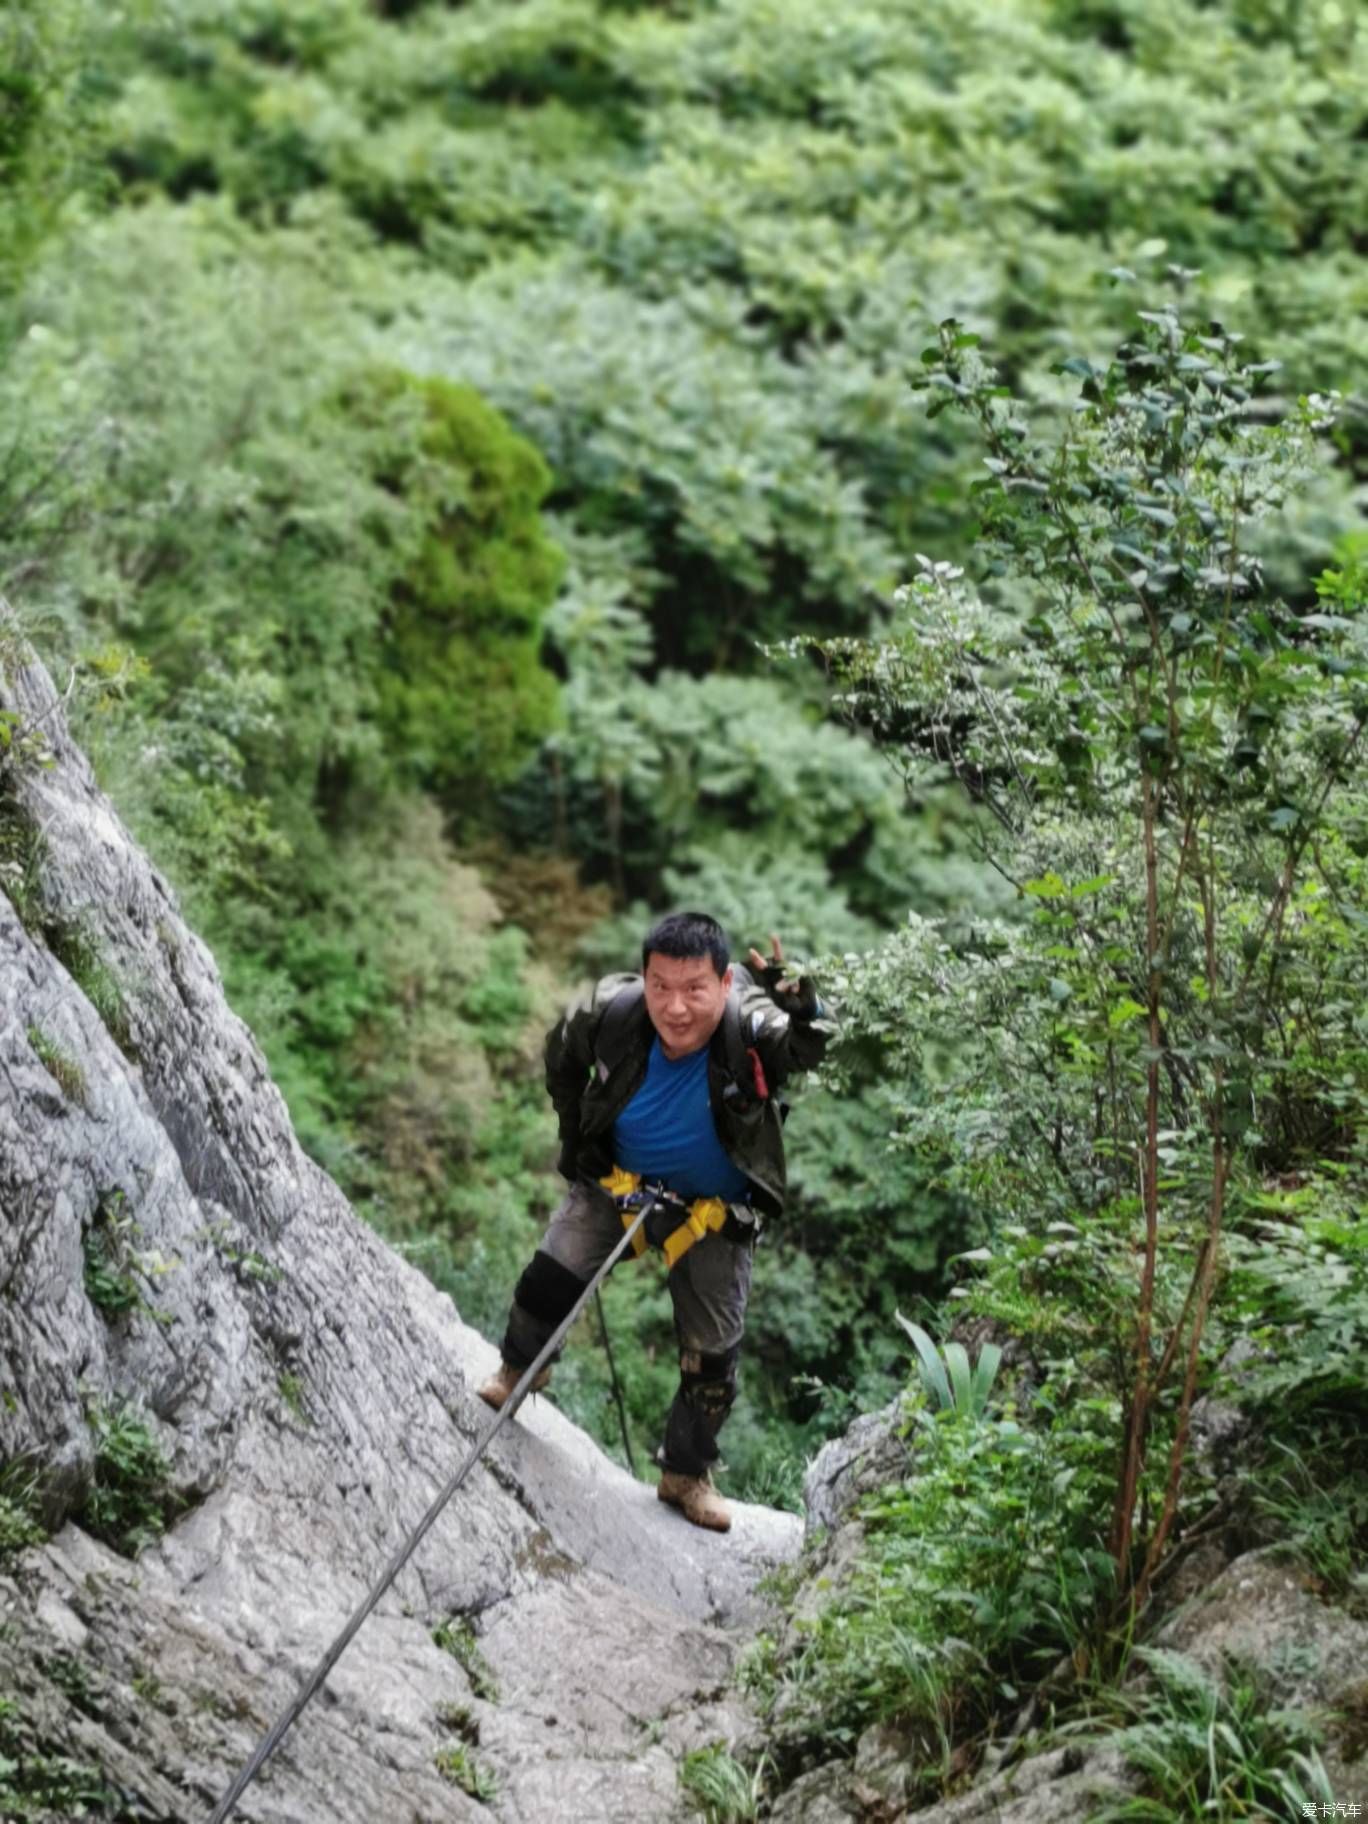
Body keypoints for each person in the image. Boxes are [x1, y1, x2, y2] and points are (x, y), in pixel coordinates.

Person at [477, 910, 835, 1532]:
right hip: (618, 1183)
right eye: (661, 986)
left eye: (694, 989)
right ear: (643, 978)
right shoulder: (611, 1014)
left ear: (724, 985)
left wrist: (806, 1008)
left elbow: (805, 1049)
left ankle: (685, 1476)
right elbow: (560, 1057)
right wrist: (574, 1139)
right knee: (548, 1277)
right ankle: (518, 1372)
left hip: (715, 1213)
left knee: (713, 1363)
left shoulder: (750, 1024)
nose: (675, 1007)